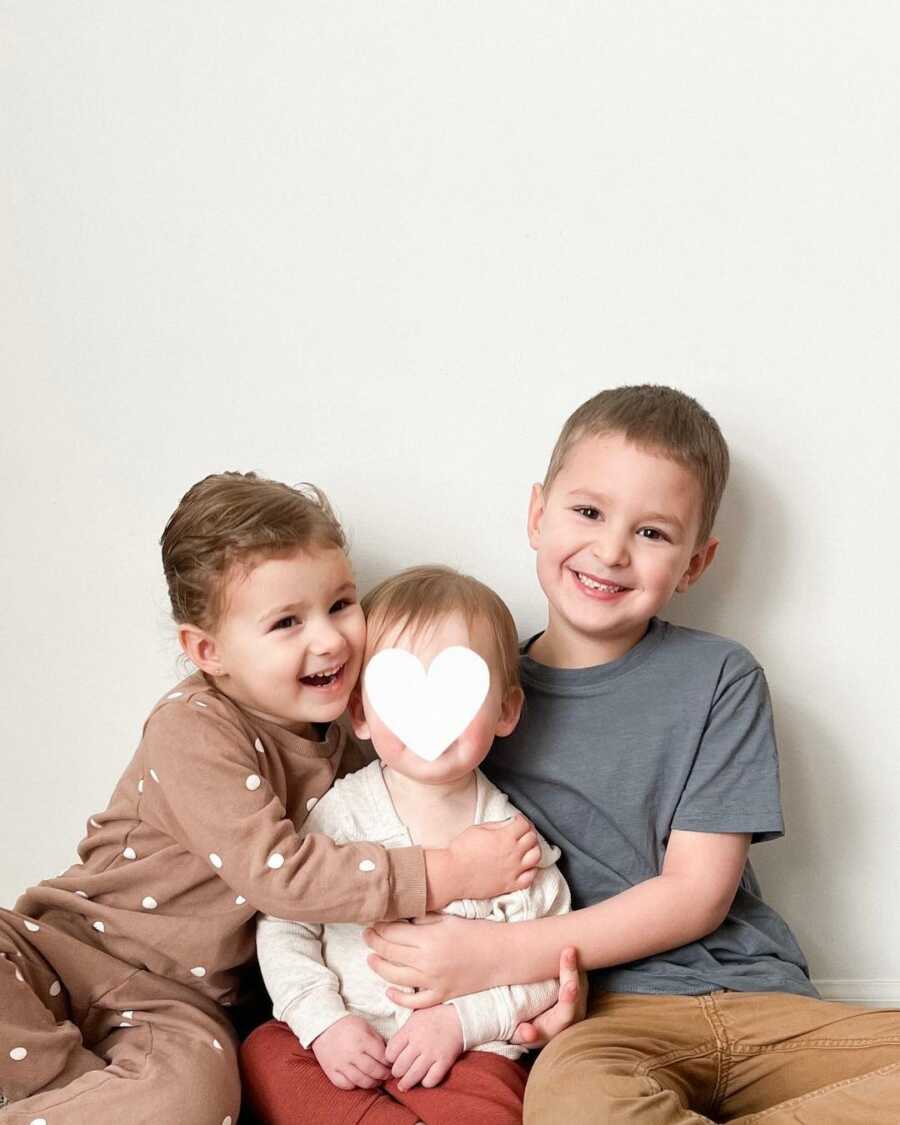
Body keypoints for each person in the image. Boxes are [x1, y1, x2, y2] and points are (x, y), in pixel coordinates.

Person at [363, 386, 900, 1124]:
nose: (611, 550)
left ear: (695, 562)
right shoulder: (472, 710)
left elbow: (696, 893)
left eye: (652, 532)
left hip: (765, 1003)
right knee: (573, 1106)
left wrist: (498, 955)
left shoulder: (720, 676)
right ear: (536, 515)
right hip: (607, 1023)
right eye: (588, 512)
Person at [0, 472, 545, 1125]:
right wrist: (446, 871)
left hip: (178, 1005)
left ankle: (78, 1095)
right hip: (61, 944)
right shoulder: (195, 727)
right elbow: (279, 873)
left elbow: (339, 914)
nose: (329, 638)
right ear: (209, 651)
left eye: (341, 604)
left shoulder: (354, 757)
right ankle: (62, 1086)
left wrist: (508, 995)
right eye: (287, 621)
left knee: (193, 1097)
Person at [240, 566, 574, 1125]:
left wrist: (463, 1021)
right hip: (344, 1043)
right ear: (361, 714)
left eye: (458, 693)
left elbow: (545, 969)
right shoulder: (340, 815)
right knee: (263, 1055)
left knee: (499, 1099)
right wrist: (324, 1024)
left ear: (506, 711)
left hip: (464, 1054)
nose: (429, 717)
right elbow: (286, 924)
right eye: (398, 692)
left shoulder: (513, 841)